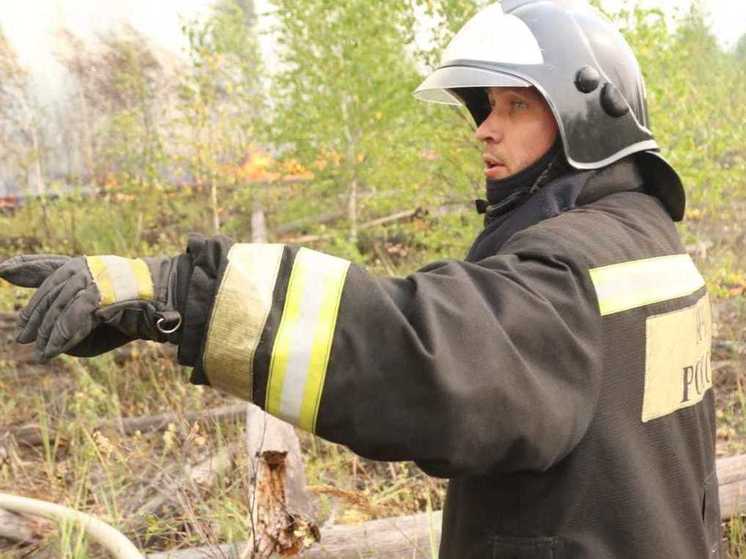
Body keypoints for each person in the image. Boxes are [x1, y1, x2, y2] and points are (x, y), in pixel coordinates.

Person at [0, 1, 719, 557]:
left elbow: (419, 349)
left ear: (583, 119)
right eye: (486, 107)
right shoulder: (651, 244)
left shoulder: (572, 273)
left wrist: (177, 294)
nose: (483, 129)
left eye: (515, 105)